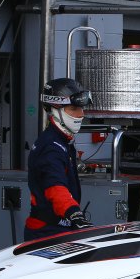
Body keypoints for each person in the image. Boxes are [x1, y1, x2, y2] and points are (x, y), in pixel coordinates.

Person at [24, 78, 93, 240]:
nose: (81, 114)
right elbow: (55, 187)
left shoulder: (61, 140)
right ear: (55, 109)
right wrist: (75, 214)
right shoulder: (51, 146)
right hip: (46, 233)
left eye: (81, 108)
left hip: (59, 229)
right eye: (74, 108)